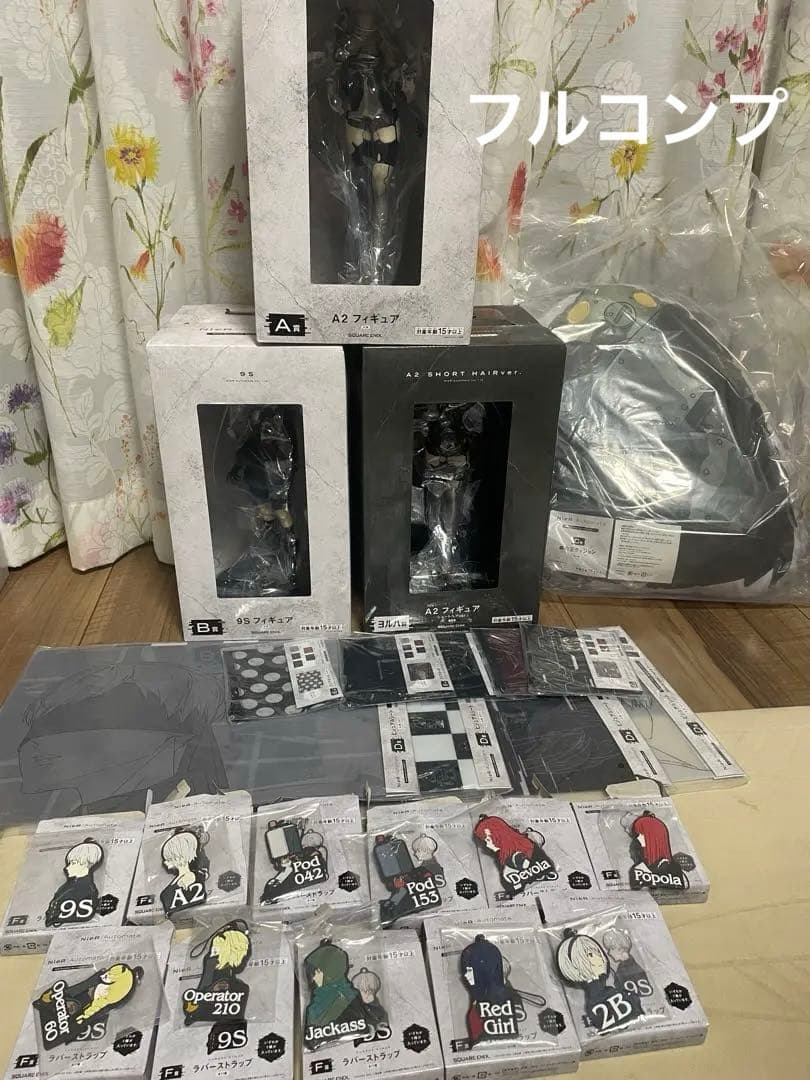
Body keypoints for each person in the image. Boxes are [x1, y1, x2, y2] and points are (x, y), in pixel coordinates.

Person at [45, 839, 103, 927]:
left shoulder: (86, 889)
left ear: (86, 864)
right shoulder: (66, 887)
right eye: (69, 863)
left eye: (73, 863)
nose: (66, 868)